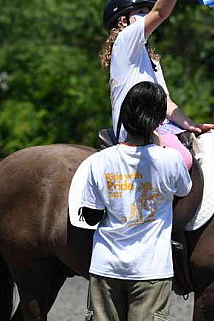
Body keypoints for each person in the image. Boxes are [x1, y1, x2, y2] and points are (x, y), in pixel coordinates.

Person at [81, 81, 192, 321]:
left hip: (105, 268)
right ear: (158, 121)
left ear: (125, 114)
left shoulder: (98, 162)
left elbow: (91, 215)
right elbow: (183, 191)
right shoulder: (170, 160)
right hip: (152, 270)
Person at [100, 0, 214, 170]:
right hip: (136, 129)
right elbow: (160, 12)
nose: (146, 16)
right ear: (122, 21)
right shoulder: (124, 40)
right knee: (183, 160)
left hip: (160, 124)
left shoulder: (150, 59)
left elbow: (167, 104)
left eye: (146, 12)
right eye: (140, 12)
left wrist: (191, 125)